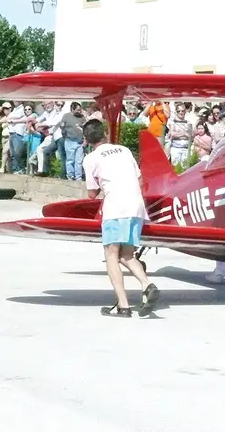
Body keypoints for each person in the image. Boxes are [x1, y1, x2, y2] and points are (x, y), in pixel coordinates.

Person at [82, 120, 160, 317]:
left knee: (111, 254)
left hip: (115, 207)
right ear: (105, 134)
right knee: (127, 255)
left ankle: (123, 305)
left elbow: (92, 193)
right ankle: (147, 284)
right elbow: (140, 180)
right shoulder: (124, 150)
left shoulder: (91, 158)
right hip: (136, 206)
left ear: (87, 140)